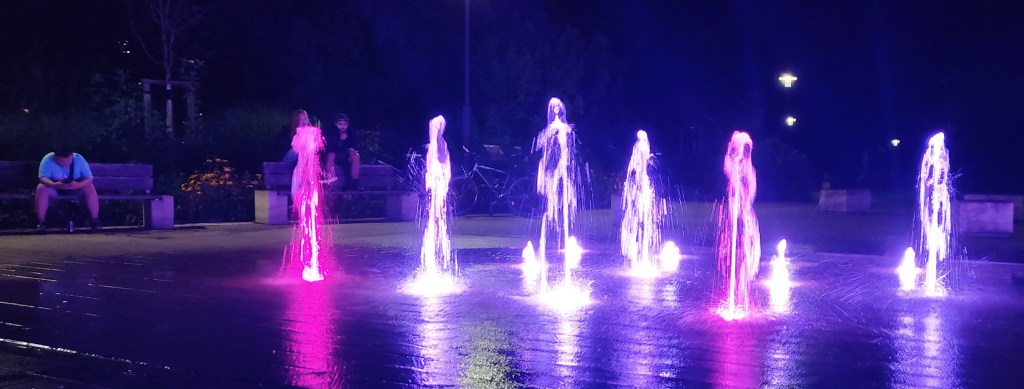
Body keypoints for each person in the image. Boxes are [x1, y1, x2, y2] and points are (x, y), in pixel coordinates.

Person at [35, 145, 100, 233]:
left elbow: (89, 178)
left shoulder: (78, 159)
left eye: (68, 160)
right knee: (41, 188)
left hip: (75, 188)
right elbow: (42, 178)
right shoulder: (48, 159)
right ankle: (41, 223)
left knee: (90, 187)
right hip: (54, 188)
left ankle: (95, 221)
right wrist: (53, 184)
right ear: (55, 157)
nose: (65, 163)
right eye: (61, 161)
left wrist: (79, 185)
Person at [323, 113, 361, 189]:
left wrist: (347, 142)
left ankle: (354, 184)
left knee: (356, 156)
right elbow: (329, 148)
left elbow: (354, 147)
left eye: (345, 124)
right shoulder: (331, 132)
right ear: (336, 124)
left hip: (346, 157)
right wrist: (339, 140)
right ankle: (329, 183)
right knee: (331, 155)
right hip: (335, 157)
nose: (343, 126)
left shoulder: (352, 133)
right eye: (340, 124)